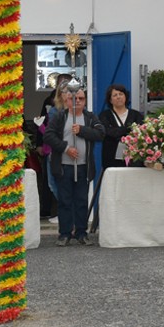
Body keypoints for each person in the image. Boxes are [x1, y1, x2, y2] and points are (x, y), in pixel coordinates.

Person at [44, 84, 105, 246]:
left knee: (81, 200)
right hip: (64, 166)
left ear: (85, 101)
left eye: (81, 98)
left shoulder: (90, 117)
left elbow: (100, 133)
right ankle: (64, 234)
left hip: (84, 166)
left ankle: (81, 233)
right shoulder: (59, 117)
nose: (77, 101)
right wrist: (66, 148)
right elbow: (48, 136)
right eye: (74, 98)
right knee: (64, 201)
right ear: (67, 100)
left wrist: (82, 130)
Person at [98, 84, 145, 170]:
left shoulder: (136, 115)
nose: (118, 97)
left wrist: (118, 132)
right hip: (111, 159)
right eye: (115, 95)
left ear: (126, 96)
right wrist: (129, 129)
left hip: (133, 159)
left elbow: (140, 133)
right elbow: (108, 132)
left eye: (121, 94)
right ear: (110, 100)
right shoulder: (104, 115)